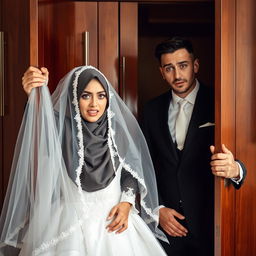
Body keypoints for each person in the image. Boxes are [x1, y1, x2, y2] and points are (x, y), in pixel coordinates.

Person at [0, 66, 168, 255]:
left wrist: (127, 202)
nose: (94, 104)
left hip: (114, 220)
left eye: (101, 96)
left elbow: (130, 171)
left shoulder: (118, 130)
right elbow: (40, 123)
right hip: (68, 222)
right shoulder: (60, 128)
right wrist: (36, 94)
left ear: (108, 98)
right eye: (86, 96)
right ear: (74, 97)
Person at [141, 37, 247, 256]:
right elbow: (144, 164)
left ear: (195, 65)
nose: (177, 75)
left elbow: (245, 153)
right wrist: (157, 209)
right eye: (169, 68)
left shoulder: (221, 103)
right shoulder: (151, 110)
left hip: (211, 222)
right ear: (161, 72)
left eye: (183, 66)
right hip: (168, 225)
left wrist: (236, 169)